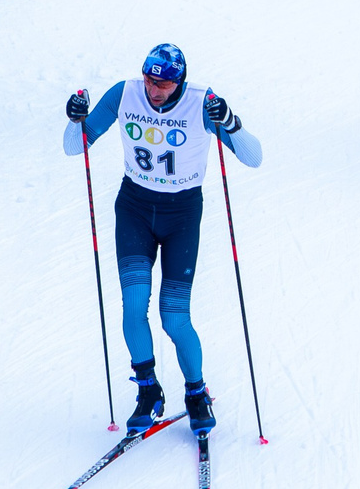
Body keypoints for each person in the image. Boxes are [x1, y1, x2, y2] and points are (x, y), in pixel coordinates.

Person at [62, 43, 263, 437]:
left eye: (165, 85)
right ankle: (148, 389)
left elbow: (253, 157)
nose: (156, 92)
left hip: (182, 215)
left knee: (174, 317)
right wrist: (75, 119)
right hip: (135, 208)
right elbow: (76, 145)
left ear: (180, 82)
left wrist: (232, 121)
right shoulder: (125, 93)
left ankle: (196, 391)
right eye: (152, 82)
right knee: (134, 305)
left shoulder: (201, 103)